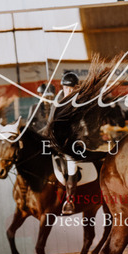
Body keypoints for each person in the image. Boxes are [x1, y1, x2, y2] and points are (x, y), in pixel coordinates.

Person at [48, 72, 80, 214]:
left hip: (70, 143)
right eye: (66, 88)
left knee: (72, 165)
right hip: (54, 142)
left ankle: (69, 201)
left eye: (72, 88)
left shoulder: (79, 104)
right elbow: (50, 123)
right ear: (63, 88)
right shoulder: (57, 103)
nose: (69, 91)